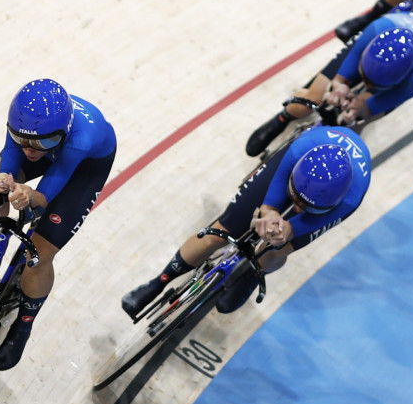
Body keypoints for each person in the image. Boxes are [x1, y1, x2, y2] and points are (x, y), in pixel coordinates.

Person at [0, 79, 117, 370]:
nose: (31, 150)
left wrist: (30, 197)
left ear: (62, 132)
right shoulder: (24, 131)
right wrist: (1, 184)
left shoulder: (83, 138)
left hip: (82, 168)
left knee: (38, 255)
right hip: (54, 141)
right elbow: (13, 163)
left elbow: (44, 198)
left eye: (43, 142)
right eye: (22, 139)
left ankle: (22, 328)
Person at [122, 125, 371, 317]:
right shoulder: (299, 149)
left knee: (279, 248)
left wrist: (287, 230)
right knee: (219, 232)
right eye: (295, 198)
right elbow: (270, 203)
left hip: (329, 192)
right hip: (303, 158)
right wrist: (270, 213)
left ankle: (254, 274)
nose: (297, 207)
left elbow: (296, 229)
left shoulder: (349, 200)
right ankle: (158, 283)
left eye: (307, 207)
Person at [245, 10, 413, 157]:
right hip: (389, 27)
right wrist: (338, 86)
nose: (364, 83)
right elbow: (340, 79)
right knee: (315, 95)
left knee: (357, 125)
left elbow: (370, 107)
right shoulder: (376, 29)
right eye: (363, 75)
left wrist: (359, 110)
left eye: (370, 83)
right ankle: (284, 117)